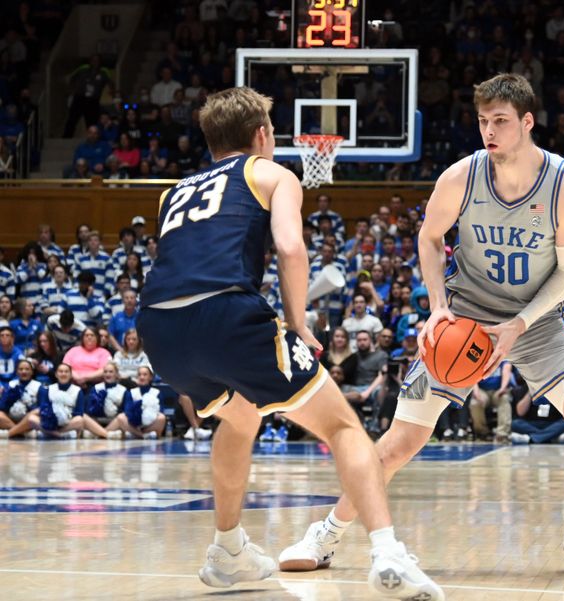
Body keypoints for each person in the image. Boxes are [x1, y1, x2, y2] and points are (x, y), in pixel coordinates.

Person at [281, 73, 564, 575]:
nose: (489, 131)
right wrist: (437, 307)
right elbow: (429, 240)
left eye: (500, 121)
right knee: (400, 443)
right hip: (464, 320)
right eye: (482, 121)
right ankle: (326, 534)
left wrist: (519, 322)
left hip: (536, 320)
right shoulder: (461, 177)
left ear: (527, 121)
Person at [136, 86, 441, 597]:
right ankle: (388, 552)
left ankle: (227, 549)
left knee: (240, 416)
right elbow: (290, 246)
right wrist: (298, 323)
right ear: (261, 135)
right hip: (224, 312)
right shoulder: (273, 173)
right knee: (344, 427)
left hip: (159, 328)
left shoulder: (174, 192)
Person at [469, 360, 514, 442]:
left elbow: (507, 369)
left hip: (498, 390)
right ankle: (482, 433)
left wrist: (503, 388)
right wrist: (476, 391)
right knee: (475, 403)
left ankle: (502, 434)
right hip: (483, 390)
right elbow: (472, 373)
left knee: (504, 399)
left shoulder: (502, 355)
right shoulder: (481, 356)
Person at [82, 362, 128, 439]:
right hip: (97, 420)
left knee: (122, 417)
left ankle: (97, 433)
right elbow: (89, 409)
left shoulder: (123, 390)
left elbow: (125, 411)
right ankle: (107, 434)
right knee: (83, 416)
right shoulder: (96, 388)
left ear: (116, 374)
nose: (108, 374)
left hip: (114, 421)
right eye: (105, 372)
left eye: (111, 372)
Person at [0, 359, 42, 437]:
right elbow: (2, 407)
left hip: (28, 419)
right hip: (10, 419)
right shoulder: (10, 385)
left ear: (32, 372)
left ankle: (10, 433)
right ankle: (22, 433)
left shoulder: (39, 386)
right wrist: (9, 398)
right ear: (17, 372)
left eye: (27, 369)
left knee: (35, 413)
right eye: (21, 369)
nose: (24, 372)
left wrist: (29, 405)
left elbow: (41, 408)